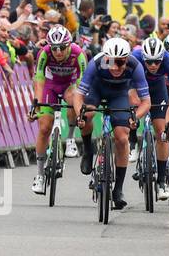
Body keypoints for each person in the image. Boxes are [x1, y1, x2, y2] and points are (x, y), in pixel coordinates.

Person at [67, 37, 151, 212]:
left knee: (122, 137)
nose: (114, 67)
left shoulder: (135, 66)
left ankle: (118, 189)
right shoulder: (97, 63)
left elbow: (146, 102)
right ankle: (88, 150)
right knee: (87, 114)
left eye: (119, 62)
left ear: (126, 59)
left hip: (119, 94)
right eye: (110, 61)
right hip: (96, 90)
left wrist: (136, 116)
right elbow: (78, 95)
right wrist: (79, 113)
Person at [27, 25, 87, 195]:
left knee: (74, 100)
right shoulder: (44, 53)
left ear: (69, 45)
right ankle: (39, 175)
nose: (58, 51)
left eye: (62, 47)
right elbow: (39, 79)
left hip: (71, 85)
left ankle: (70, 139)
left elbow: (83, 82)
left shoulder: (78, 53)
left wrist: (80, 107)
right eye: (54, 48)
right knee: (44, 127)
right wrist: (36, 104)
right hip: (50, 85)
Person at [131, 35, 169, 204]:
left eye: (156, 62)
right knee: (131, 114)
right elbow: (127, 84)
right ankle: (132, 143)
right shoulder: (134, 57)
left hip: (158, 89)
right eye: (149, 62)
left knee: (162, 133)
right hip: (138, 85)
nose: (152, 65)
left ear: (162, 58)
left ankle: (161, 181)